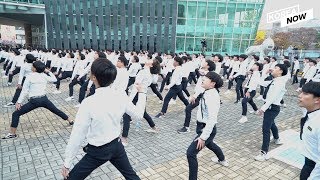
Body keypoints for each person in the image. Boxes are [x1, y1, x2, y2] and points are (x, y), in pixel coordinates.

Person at [61, 58, 145, 180]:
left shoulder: (89, 103)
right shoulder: (120, 95)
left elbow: (77, 135)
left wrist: (67, 163)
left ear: (94, 77)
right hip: (116, 146)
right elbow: (138, 115)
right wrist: (142, 93)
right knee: (131, 176)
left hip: (97, 151)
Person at [2, 61, 73, 140]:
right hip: (44, 99)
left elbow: (24, 91)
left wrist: (19, 102)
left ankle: (12, 134)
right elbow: (54, 79)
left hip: (34, 101)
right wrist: (48, 71)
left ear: (35, 69)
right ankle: (70, 120)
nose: (31, 67)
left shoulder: (29, 77)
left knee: (15, 114)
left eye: (32, 66)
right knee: (56, 110)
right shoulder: (44, 76)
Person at [186, 71, 228, 180]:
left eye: (206, 78)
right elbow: (200, 89)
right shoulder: (207, 90)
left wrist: (203, 137)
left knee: (191, 153)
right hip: (202, 127)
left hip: (206, 129)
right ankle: (222, 159)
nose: (203, 79)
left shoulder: (212, 96)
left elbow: (212, 119)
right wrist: (193, 96)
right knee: (210, 145)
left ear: (213, 83)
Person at [255, 64, 288, 161]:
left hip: (272, 107)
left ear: (281, 71)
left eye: (275, 68)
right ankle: (277, 139)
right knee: (272, 124)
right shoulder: (274, 80)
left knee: (265, 129)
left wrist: (263, 108)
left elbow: (273, 97)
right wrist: (265, 73)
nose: (273, 69)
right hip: (270, 107)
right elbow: (261, 82)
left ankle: (264, 153)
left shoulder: (280, 82)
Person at [177, 59, 216, 133]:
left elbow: (201, 87)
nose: (203, 63)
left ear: (208, 66)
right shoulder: (204, 72)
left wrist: (195, 96)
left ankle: (187, 127)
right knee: (202, 110)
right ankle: (202, 125)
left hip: (202, 95)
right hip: (199, 94)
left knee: (189, 109)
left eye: (205, 62)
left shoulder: (207, 74)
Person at [298, 82, 320, 180]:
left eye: (305, 94)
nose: (300, 96)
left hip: (314, 168)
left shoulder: (318, 122)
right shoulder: (310, 111)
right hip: (308, 164)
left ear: (317, 100)